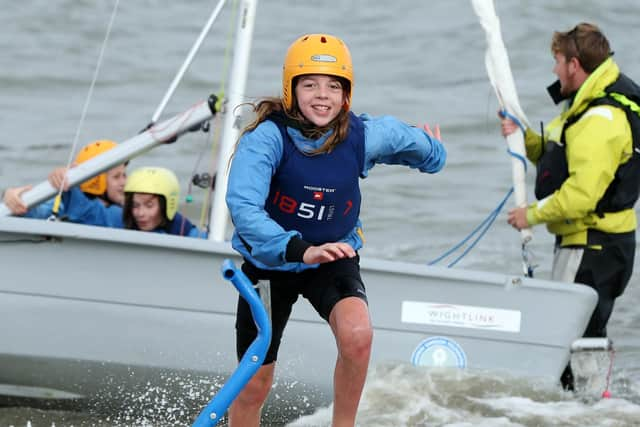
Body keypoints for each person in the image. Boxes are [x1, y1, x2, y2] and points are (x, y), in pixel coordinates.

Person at [225, 33, 446, 426]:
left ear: (347, 95)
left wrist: (433, 154)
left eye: (333, 85)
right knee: (256, 382)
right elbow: (243, 209)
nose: (322, 95)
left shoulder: (362, 134)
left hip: (333, 257)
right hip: (270, 264)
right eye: (309, 84)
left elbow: (410, 142)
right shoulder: (266, 140)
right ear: (291, 89)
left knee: (358, 336)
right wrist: (298, 249)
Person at [499, 23, 639, 391]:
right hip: (597, 243)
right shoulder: (590, 102)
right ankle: (594, 405)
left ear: (574, 65)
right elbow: (558, 156)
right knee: (581, 342)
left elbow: (581, 195)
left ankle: (591, 410)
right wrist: (523, 138)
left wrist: (531, 213)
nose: (554, 70)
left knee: (570, 347)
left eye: (557, 61)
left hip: (592, 245)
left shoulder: (600, 118)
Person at [55, 165, 205, 237]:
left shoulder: (183, 231)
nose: (140, 213)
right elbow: (87, 211)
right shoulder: (119, 218)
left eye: (149, 205)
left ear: (167, 206)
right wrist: (66, 179)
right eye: (135, 205)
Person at [2, 139, 126, 220]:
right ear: (95, 180)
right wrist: (16, 198)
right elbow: (39, 213)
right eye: (116, 177)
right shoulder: (70, 201)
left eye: (124, 175)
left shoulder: (135, 209)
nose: (123, 183)